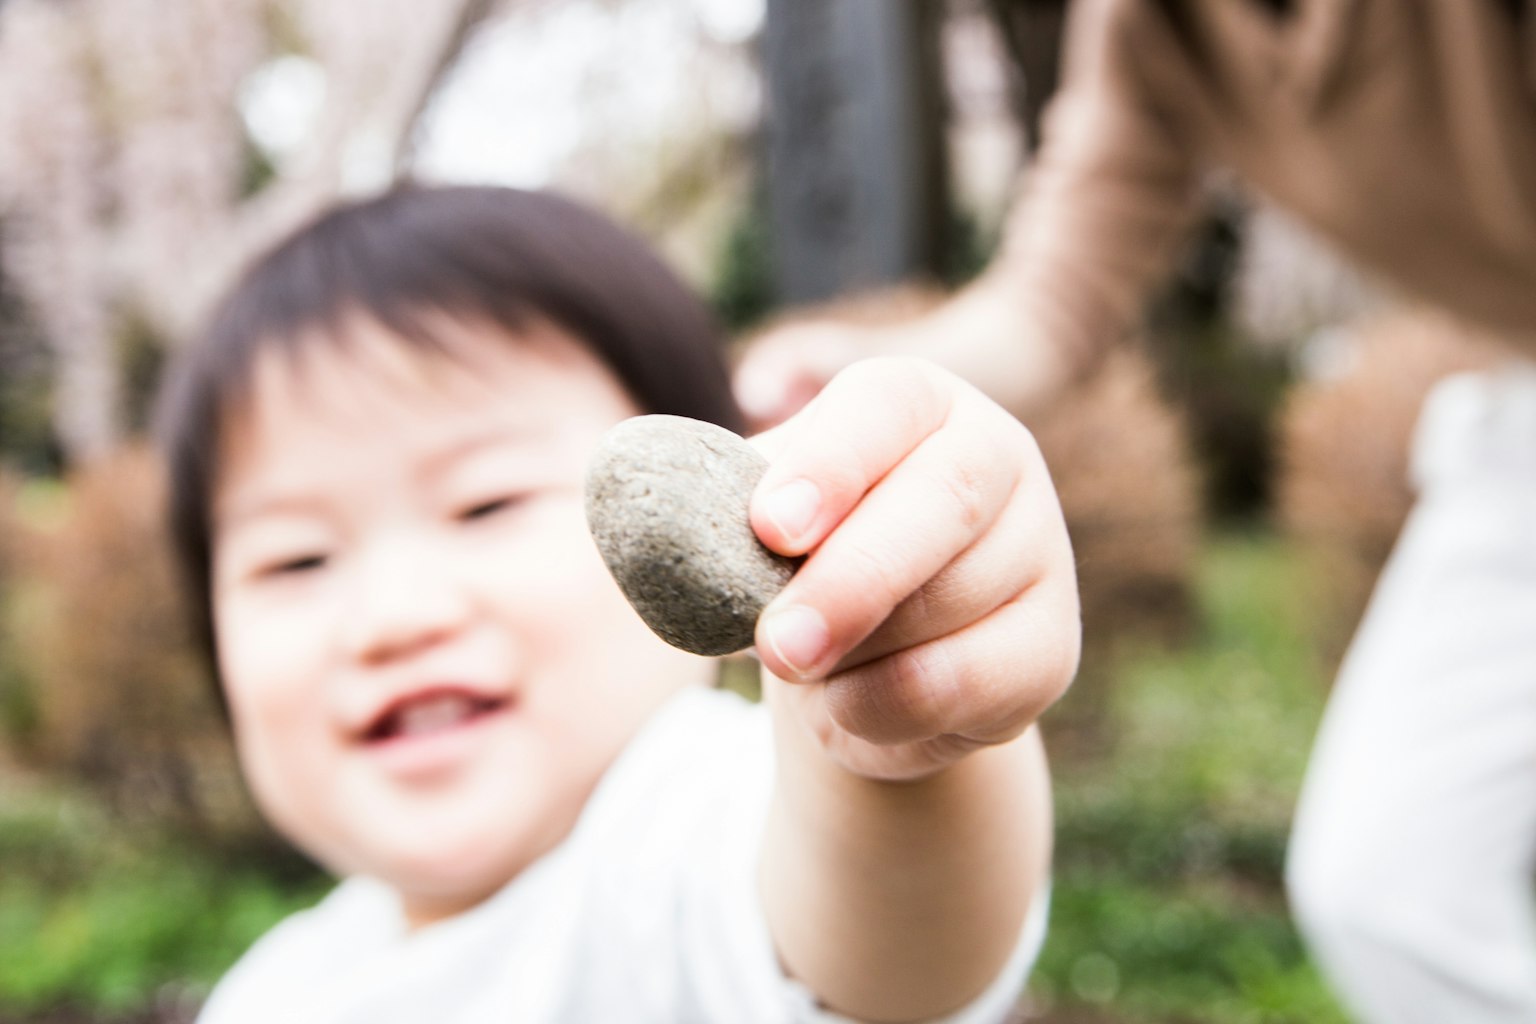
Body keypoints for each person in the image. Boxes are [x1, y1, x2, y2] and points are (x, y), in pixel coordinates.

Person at [735, 1, 1536, 1021]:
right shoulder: (1152, 32)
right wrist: (868, 373)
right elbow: (1057, 296)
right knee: (1387, 886)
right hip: (1523, 424)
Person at [154, 183, 1080, 1023]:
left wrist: (889, 736)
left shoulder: (685, 846)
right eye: (295, 561)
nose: (393, 616)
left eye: (487, 503)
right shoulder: (274, 992)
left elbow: (896, 947)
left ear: (729, 509)